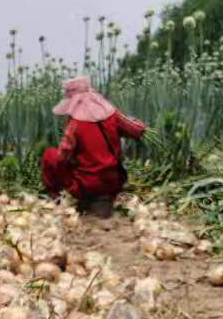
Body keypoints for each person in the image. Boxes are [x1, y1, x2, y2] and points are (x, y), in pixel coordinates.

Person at [39, 75, 147, 219]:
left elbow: (63, 157)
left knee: (50, 155)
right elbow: (138, 130)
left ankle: (56, 198)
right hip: (113, 181)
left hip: (88, 185)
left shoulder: (74, 124)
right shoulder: (112, 114)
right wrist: (131, 121)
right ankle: (103, 200)